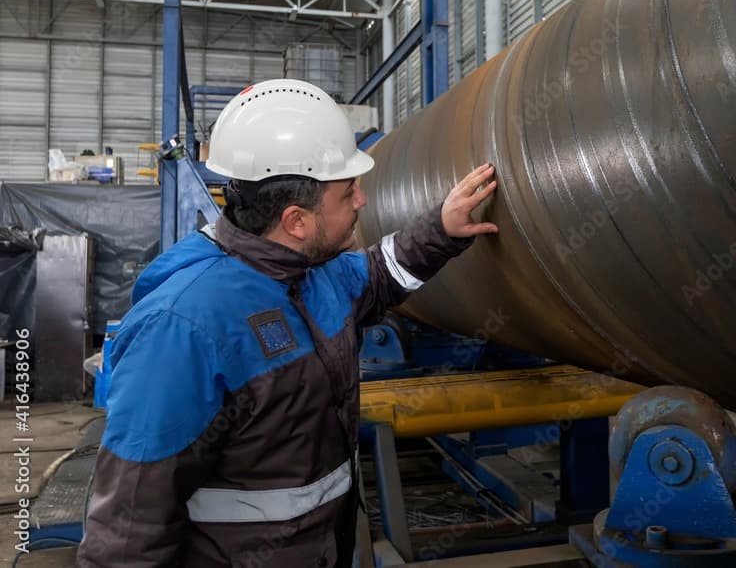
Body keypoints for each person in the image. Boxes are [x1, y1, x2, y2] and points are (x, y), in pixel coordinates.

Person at [78, 78, 499, 567]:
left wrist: (442, 229)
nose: (362, 201)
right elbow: (129, 527)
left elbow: (381, 274)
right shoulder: (183, 328)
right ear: (297, 221)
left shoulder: (313, 277)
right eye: (349, 192)